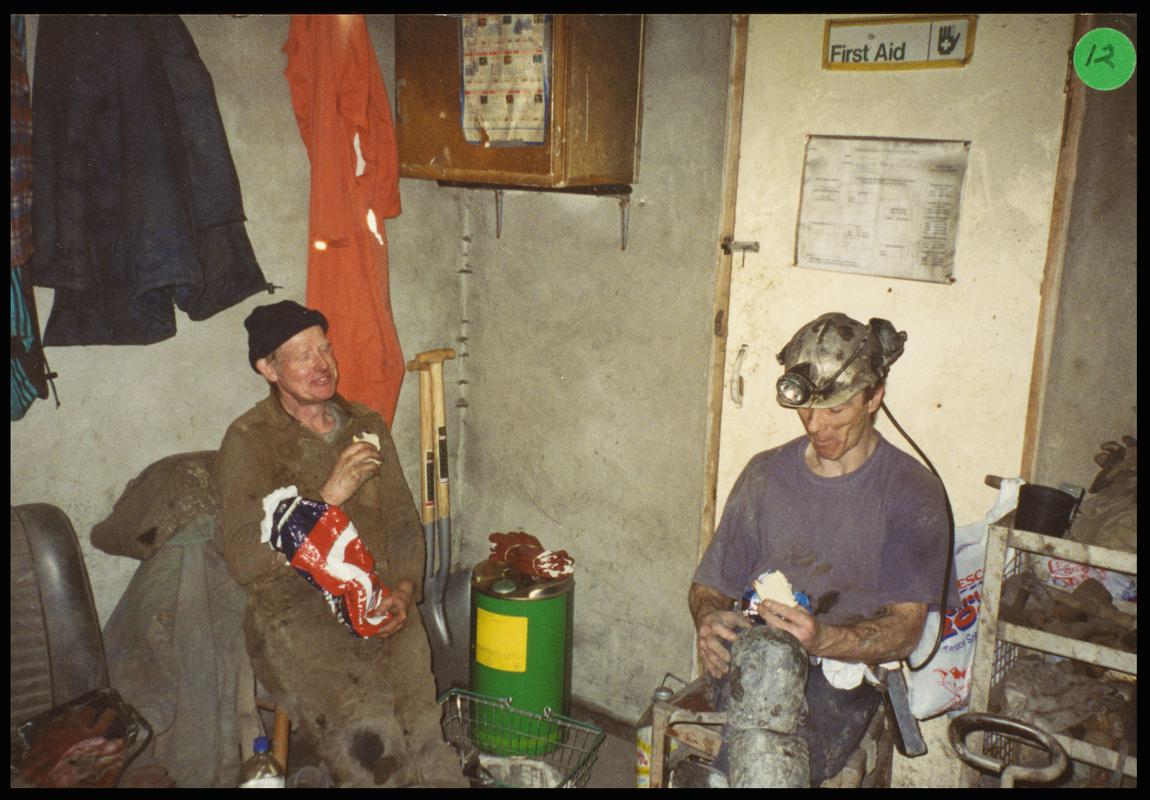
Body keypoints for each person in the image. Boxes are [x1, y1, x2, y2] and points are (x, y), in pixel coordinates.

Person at [689, 312, 957, 785]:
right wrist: (708, 619)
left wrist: (821, 640)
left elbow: (905, 630)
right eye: (808, 410)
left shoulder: (913, 491)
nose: (818, 426)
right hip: (754, 657)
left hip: (841, 676)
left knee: (770, 750)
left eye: (836, 410)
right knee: (767, 672)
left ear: (874, 396)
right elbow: (710, 584)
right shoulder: (765, 474)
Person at [218, 300, 465, 788]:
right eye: (303, 354)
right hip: (299, 613)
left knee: (425, 740)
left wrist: (403, 588)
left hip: (380, 597)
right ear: (267, 368)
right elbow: (247, 563)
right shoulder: (250, 441)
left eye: (325, 349)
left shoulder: (366, 424)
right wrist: (327, 499)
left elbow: (402, 523)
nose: (323, 364)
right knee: (375, 749)